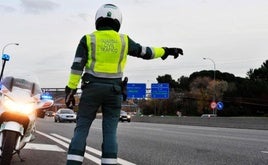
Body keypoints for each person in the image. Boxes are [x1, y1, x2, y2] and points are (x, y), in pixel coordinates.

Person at [65, 4, 183, 165]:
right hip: (114, 91)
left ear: (98, 20)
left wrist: (70, 90)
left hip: (91, 89)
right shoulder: (124, 40)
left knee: (82, 129)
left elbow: (77, 66)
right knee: (110, 132)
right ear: (118, 21)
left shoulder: (88, 39)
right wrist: (166, 51)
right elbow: (145, 52)